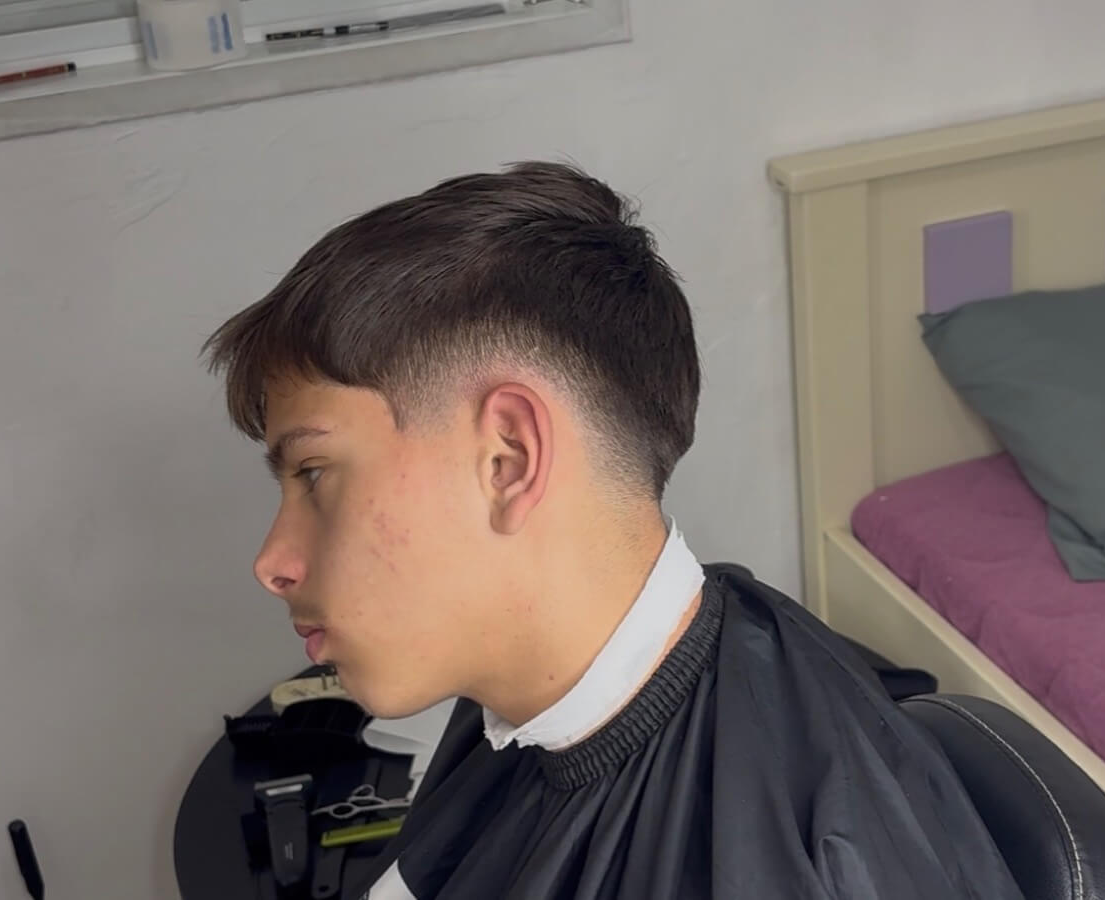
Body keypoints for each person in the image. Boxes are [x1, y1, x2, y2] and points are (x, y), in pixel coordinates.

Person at [203, 163, 1023, 900]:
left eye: (314, 474)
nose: (272, 563)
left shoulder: (799, 858)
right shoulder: (523, 700)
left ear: (508, 459)